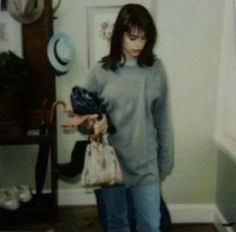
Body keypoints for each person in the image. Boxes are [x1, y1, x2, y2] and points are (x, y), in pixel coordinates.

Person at [63, 3, 173, 232]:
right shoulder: (99, 72)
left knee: (151, 224)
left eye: (144, 38)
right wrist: (92, 124)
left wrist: (165, 159)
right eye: (133, 37)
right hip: (111, 164)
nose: (139, 45)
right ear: (119, 34)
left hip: (146, 164)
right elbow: (85, 124)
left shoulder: (156, 69)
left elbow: (163, 118)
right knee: (117, 224)